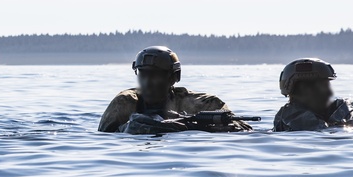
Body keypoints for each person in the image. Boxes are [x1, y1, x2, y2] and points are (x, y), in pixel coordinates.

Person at [98, 46, 252, 134]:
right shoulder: (125, 103)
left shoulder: (200, 103)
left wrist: (190, 126)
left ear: (172, 78)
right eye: (142, 74)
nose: (147, 82)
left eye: (155, 75)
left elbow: (243, 128)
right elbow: (105, 137)